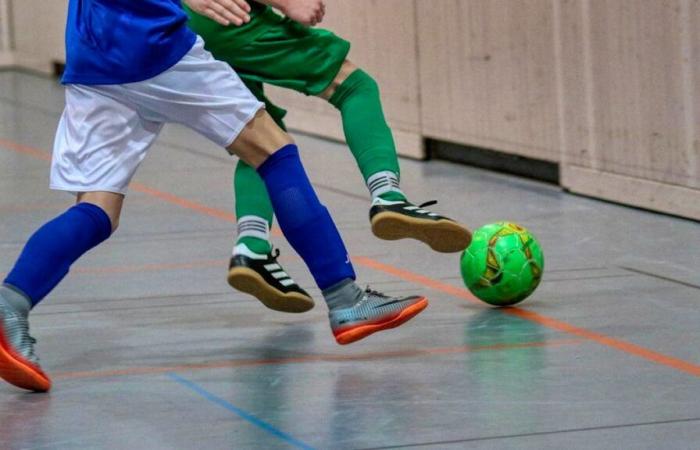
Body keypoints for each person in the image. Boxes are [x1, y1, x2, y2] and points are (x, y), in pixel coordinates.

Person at [0, 0, 428, 393]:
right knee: (273, 151)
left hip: (93, 52)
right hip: (152, 45)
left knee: (98, 209)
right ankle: (344, 299)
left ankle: (10, 303)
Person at [184, 0, 473, 313]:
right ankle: (388, 195)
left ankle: (252, 247)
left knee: (260, 139)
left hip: (186, 24)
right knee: (354, 86)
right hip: (229, 15)